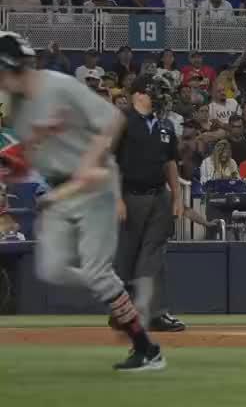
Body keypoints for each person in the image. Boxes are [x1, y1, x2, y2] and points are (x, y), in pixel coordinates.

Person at [0, 32, 165, 371]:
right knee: (52, 269)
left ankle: (147, 350)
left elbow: (114, 119)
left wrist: (90, 161)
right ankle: (123, 293)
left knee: (95, 270)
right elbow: (30, 155)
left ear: (11, 66)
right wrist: (9, 169)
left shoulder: (59, 86)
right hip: (61, 189)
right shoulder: (15, 106)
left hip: (96, 183)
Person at [113, 75, 185, 333]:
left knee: (154, 256)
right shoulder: (122, 122)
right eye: (155, 91)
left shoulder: (165, 126)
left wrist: (177, 196)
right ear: (139, 94)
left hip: (159, 196)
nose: (160, 96)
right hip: (129, 195)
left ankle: (155, 313)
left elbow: (170, 163)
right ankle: (123, 312)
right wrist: (117, 198)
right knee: (126, 257)